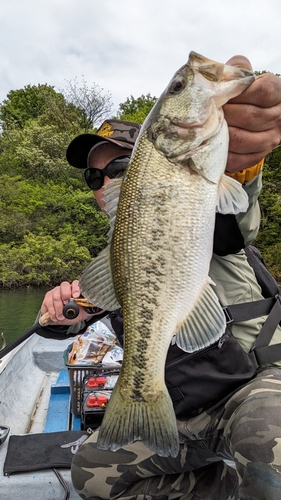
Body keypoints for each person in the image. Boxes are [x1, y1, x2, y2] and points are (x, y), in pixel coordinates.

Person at [37, 56, 281, 500]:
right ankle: (223, 488)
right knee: (92, 475)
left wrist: (244, 165)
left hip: (252, 386)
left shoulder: (207, 204)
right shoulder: (121, 253)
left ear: (143, 163)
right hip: (184, 405)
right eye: (95, 175)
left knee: (271, 447)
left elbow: (236, 218)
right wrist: (58, 317)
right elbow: (96, 307)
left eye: (117, 168)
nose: (103, 181)